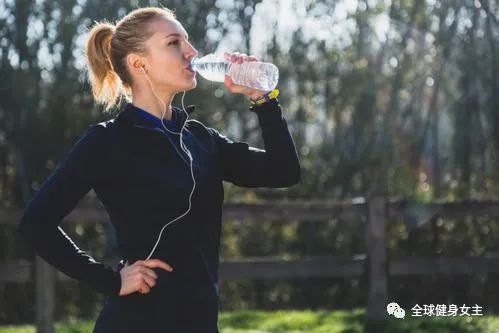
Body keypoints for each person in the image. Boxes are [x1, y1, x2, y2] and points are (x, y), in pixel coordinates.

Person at [16, 6, 300, 333]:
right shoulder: (107, 141)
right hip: (137, 323)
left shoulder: (200, 138)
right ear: (139, 63)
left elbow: (284, 172)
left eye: (188, 42)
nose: (191, 52)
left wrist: (262, 99)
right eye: (173, 43)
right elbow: (35, 223)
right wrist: (109, 280)